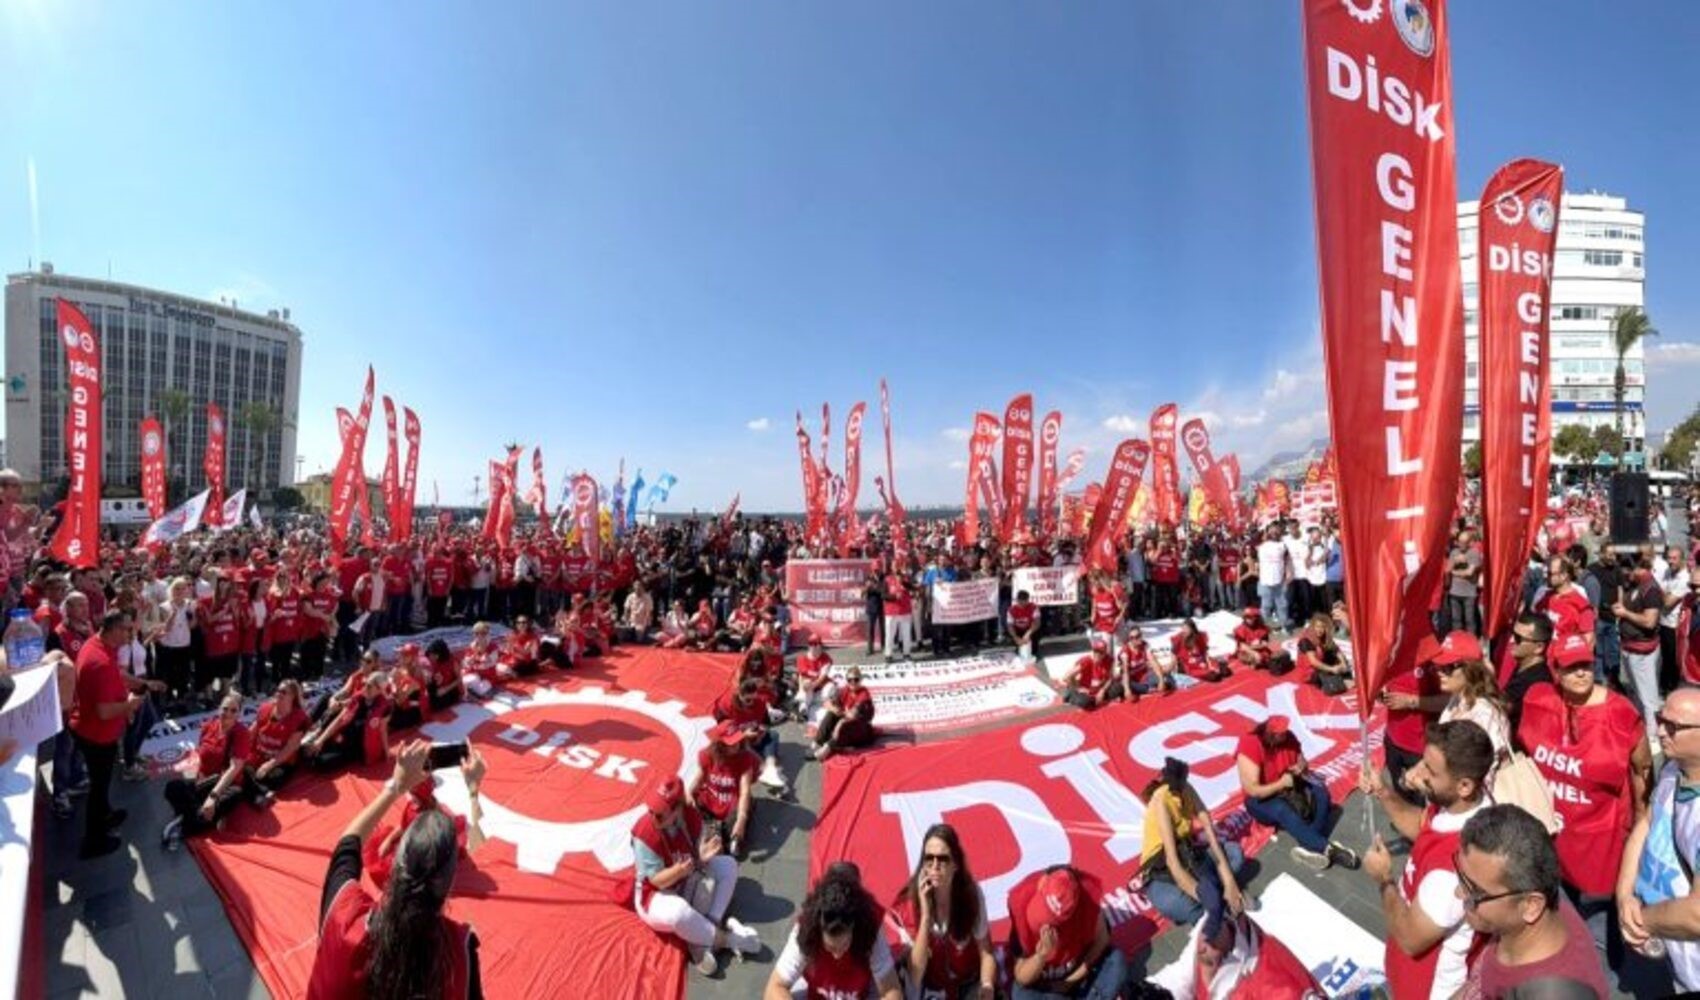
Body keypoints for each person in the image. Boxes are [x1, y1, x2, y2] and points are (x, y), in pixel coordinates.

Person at [306, 739, 486, 999]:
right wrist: (473, 791)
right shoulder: (460, 953)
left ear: (400, 863)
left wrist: (395, 787)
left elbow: (347, 846)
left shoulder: (345, 919)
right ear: (448, 885)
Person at [1518, 630, 1652, 963]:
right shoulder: (1539, 700)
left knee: (1599, 933)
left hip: (1600, 840)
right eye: (1570, 666)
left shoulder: (1619, 713)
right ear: (1555, 670)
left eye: (1586, 665)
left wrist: (1642, 821)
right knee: (1560, 913)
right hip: (1554, 833)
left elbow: (1642, 769)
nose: (1580, 673)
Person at [1358, 719, 1495, 1000]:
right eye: (1422, 761)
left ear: (1464, 785)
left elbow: (1410, 939)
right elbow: (1424, 827)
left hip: (1425, 986)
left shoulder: (1455, 870)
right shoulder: (1460, 804)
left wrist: (1384, 879)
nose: (1417, 773)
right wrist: (1383, 791)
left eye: (1430, 770)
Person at [1457, 805, 1611, 998]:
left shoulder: (1553, 993)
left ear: (1531, 906)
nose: (1459, 894)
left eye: (1476, 891)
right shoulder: (1517, 917)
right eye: (1462, 878)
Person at [632, 774, 761, 976]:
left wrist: (702, 857)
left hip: (687, 879)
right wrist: (679, 870)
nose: (652, 816)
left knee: (729, 865)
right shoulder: (644, 833)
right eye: (651, 810)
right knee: (679, 911)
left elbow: (695, 858)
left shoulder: (692, 818)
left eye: (659, 814)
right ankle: (725, 940)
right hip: (655, 894)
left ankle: (704, 932)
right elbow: (656, 880)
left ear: (677, 809)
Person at [1621, 685, 1700, 989]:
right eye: (1659, 719)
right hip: (1657, 942)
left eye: (1674, 726)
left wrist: (1640, 920)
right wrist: (1624, 895)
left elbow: (1695, 915)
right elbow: (1646, 824)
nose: (1661, 732)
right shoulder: (1671, 769)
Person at [1140, 758, 1248, 945]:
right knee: (1172, 902)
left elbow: (1209, 828)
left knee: (1235, 854)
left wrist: (1230, 882)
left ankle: (1211, 897)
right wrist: (1209, 898)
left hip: (1189, 855)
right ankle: (1208, 908)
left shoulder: (1187, 789)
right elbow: (1173, 863)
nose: (1180, 789)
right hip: (1162, 869)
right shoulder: (1161, 800)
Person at [69, 611, 146, 858]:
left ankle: (106, 815)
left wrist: (138, 684)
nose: (130, 634)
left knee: (102, 784)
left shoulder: (97, 644)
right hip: (97, 736)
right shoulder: (100, 661)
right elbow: (103, 712)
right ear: (112, 629)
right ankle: (93, 841)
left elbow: (116, 676)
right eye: (126, 629)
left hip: (92, 730)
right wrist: (130, 704)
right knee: (99, 787)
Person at [889, 824, 997, 1000]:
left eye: (943, 859)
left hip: (966, 983)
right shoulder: (908, 905)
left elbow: (986, 953)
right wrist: (925, 917)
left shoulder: (972, 896)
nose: (935, 866)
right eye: (929, 858)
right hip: (927, 986)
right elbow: (915, 975)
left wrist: (987, 985)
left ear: (956, 864)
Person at [1235, 715, 1358, 871]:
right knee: (1282, 809)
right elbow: (1253, 790)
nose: (1285, 737)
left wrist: (1301, 766)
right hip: (1261, 799)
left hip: (1288, 786)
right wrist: (1281, 783)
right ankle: (1328, 849)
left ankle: (1309, 846)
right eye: (1280, 735)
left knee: (1321, 794)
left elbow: (1302, 760)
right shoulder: (1250, 745)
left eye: (1285, 734)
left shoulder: (1289, 738)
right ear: (1269, 735)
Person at [765, 862, 901, 1000]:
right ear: (818, 928)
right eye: (830, 947)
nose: (837, 955)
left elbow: (892, 991)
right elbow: (774, 988)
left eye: (844, 945)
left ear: (855, 927)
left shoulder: (871, 931)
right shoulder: (805, 929)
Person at [1005, 865, 1125, 999]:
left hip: (1078, 974)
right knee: (1021, 994)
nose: (1045, 927)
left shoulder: (1087, 901)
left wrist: (1070, 981)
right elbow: (1021, 977)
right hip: (1046, 987)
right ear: (1042, 883)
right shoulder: (1021, 903)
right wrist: (1040, 956)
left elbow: (1102, 940)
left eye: (1053, 923)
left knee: (1115, 960)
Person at [161, 691, 251, 850]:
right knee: (172, 788)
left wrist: (213, 797)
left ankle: (186, 822)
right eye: (225, 708)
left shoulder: (241, 733)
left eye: (233, 710)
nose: (228, 713)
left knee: (224, 801)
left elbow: (234, 768)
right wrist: (197, 783)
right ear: (218, 709)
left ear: (239, 714)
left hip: (227, 785)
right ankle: (199, 816)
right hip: (206, 780)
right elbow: (201, 757)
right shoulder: (208, 726)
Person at [1379, 633, 1447, 806]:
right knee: (1400, 789)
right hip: (1392, 739)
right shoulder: (1388, 648)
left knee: (1422, 803)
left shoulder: (1429, 654)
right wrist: (1381, 694)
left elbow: (1448, 701)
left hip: (1419, 747)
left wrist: (1411, 701)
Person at [1432, 631, 1512, 760]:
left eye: (1448, 667)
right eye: (1438, 666)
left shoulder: (1485, 715)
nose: (1440, 673)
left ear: (1470, 669)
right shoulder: (1457, 699)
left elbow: (1487, 769)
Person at [1615, 552, 1666, 748]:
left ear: (1638, 568)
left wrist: (1625, 613)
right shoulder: (1636, 585)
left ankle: (1654, 738)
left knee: (1649, 698)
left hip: (1642, 653)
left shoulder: (1650, 590)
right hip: (1630, 648)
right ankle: (1640, 729)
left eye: (1628, 570)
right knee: (1636, 693)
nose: (1626, 574)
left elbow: (1649, 621)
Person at [689, 721, 759, 858]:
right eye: (731, 743)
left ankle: (718, 835)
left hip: (732, 805)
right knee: (687, 810)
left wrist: (741, 819)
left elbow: (745, 791)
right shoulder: (707, 755)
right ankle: (716, 834)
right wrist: (689, 794)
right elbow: (698, 780)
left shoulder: (745, 758)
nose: (736, 745)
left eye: (737, 740)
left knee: (734, 824)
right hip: (711, 801)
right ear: (719, 744)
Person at [246, 679, 310, 808]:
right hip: (259, 753)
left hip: (281, 760)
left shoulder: (300, 718)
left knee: (272, 778)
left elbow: (290, 749)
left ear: (293, 696)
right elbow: (252, 732)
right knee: (240, 767)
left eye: (283, 692)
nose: (278, 694)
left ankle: (252, 790)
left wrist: (269, 765)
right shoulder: (265, 709)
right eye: (278, 690)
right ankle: (260, 793)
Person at [1501, 613, 1554, 734]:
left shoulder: (1536, 683)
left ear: (1539, 647)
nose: (1512, 640)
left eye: (1518, 638)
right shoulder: (1524, 667)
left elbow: (1498, 708)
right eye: (1512, 634)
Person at [813, 666, 876, 761]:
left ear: (861, 680)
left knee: (843, 723)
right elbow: (828, 703)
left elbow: (852, 715)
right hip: (848, 724)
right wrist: (834, 709)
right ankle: (818, 742)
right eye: (850, 680)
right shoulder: (845, 690)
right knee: (831, 714)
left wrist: (840, 716)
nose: (853, 682)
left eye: (856, 679)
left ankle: (828, 748)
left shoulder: (864, 694)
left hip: (862, 729)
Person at [1058, 637, 1126, 709]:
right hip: (1085, 689)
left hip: (1099, 687)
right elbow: (1066, 676)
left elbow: (1110, 677)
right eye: (1096, 651)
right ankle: (1071, 695)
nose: (1098, 654)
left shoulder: (1109, 660)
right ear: (1093, 650)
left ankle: (1096, 699)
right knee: (1084, 702)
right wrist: (1079, 688)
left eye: (1101, 652)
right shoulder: (1086, 661)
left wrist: (1102, 690)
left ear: (1105, 652)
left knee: (1119, 687)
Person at [1295, 612, 1351, 695]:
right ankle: (1341, 682)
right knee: (1330, 682)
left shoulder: (1325, 637)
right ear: (1313, 626)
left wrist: (1343, 664)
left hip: (1321, 663)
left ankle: (1341, 677)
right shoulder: (1306, 640)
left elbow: (1336, 650)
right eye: (1317, 626)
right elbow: (1313, 662)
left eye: (1323, 627)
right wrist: (1332, 669)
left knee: (1339, 660)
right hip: (1309, 672)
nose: (1320, 630)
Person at [1117, 626, 1172, 695]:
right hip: (1132, 680)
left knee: (1165, 677)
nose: (1138, 639)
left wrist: (1161, 680)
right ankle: (1149, 688)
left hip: (1145, 677)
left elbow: (1154, 662)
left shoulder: (1145, 645)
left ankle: (1151, 688)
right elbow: (1125, 671)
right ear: (1130, 639)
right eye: (1133, 638)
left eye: (1139, 636)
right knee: (1124, 685)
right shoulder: (1125, 652)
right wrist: (1127, 689)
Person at [1170, 618, 1229, 682]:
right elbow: (1173, 654)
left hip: (1201, 661)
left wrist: (1210, 665)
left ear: (1192, 629)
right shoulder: (1178, 639)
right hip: (1189, 665)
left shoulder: (1199, 637)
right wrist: (1175, 669)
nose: (1184, 631)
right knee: (1212, 676)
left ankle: (1219, 669)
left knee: (1225, 672)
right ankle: (1212, 673)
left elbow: (1205, 653)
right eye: (1183, 628)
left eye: (1186, 629)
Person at [793, 635, 836, 722]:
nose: (814, 646)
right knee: (806, 684)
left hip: (821, 685)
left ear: (821, 645)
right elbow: (801, 676)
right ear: (808, 646)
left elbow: (822, 677)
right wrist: (803, 688)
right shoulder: (802, 658)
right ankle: (803, 709)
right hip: (808, 686)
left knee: (830, 688)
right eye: (811, 644)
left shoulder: (826, 658)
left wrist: (812, 686)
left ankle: (807, 702)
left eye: (816, 644)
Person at [1229, 606, 1272, 671]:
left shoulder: (1262, 628)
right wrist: (1254, 652)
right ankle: (1253, 662)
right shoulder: (1240, 629)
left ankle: (1257, 662)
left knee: (1267, 657)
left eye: (1252, 617)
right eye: (1247, 617)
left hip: (1259, 649)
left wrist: (1257, 646)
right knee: (1250, 657)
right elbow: (1242, 646)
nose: (1249, 619)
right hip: (1246, 651)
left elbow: (1265, 644)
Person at [1008, 590, 1040, 658]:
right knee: (1019, 650)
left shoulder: (1033, 607)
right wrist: (1015, 637)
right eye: (1020, 601)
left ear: (1028, 600)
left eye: (1025, 601)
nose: (1023, 604)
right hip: (1018, 630)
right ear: (1017, 600)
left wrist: (1028, 633)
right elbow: (1010, 625)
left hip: (1029, 628)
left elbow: (1037, 622)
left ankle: (1033, 647)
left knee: (1033, 651)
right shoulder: (1011, 610)